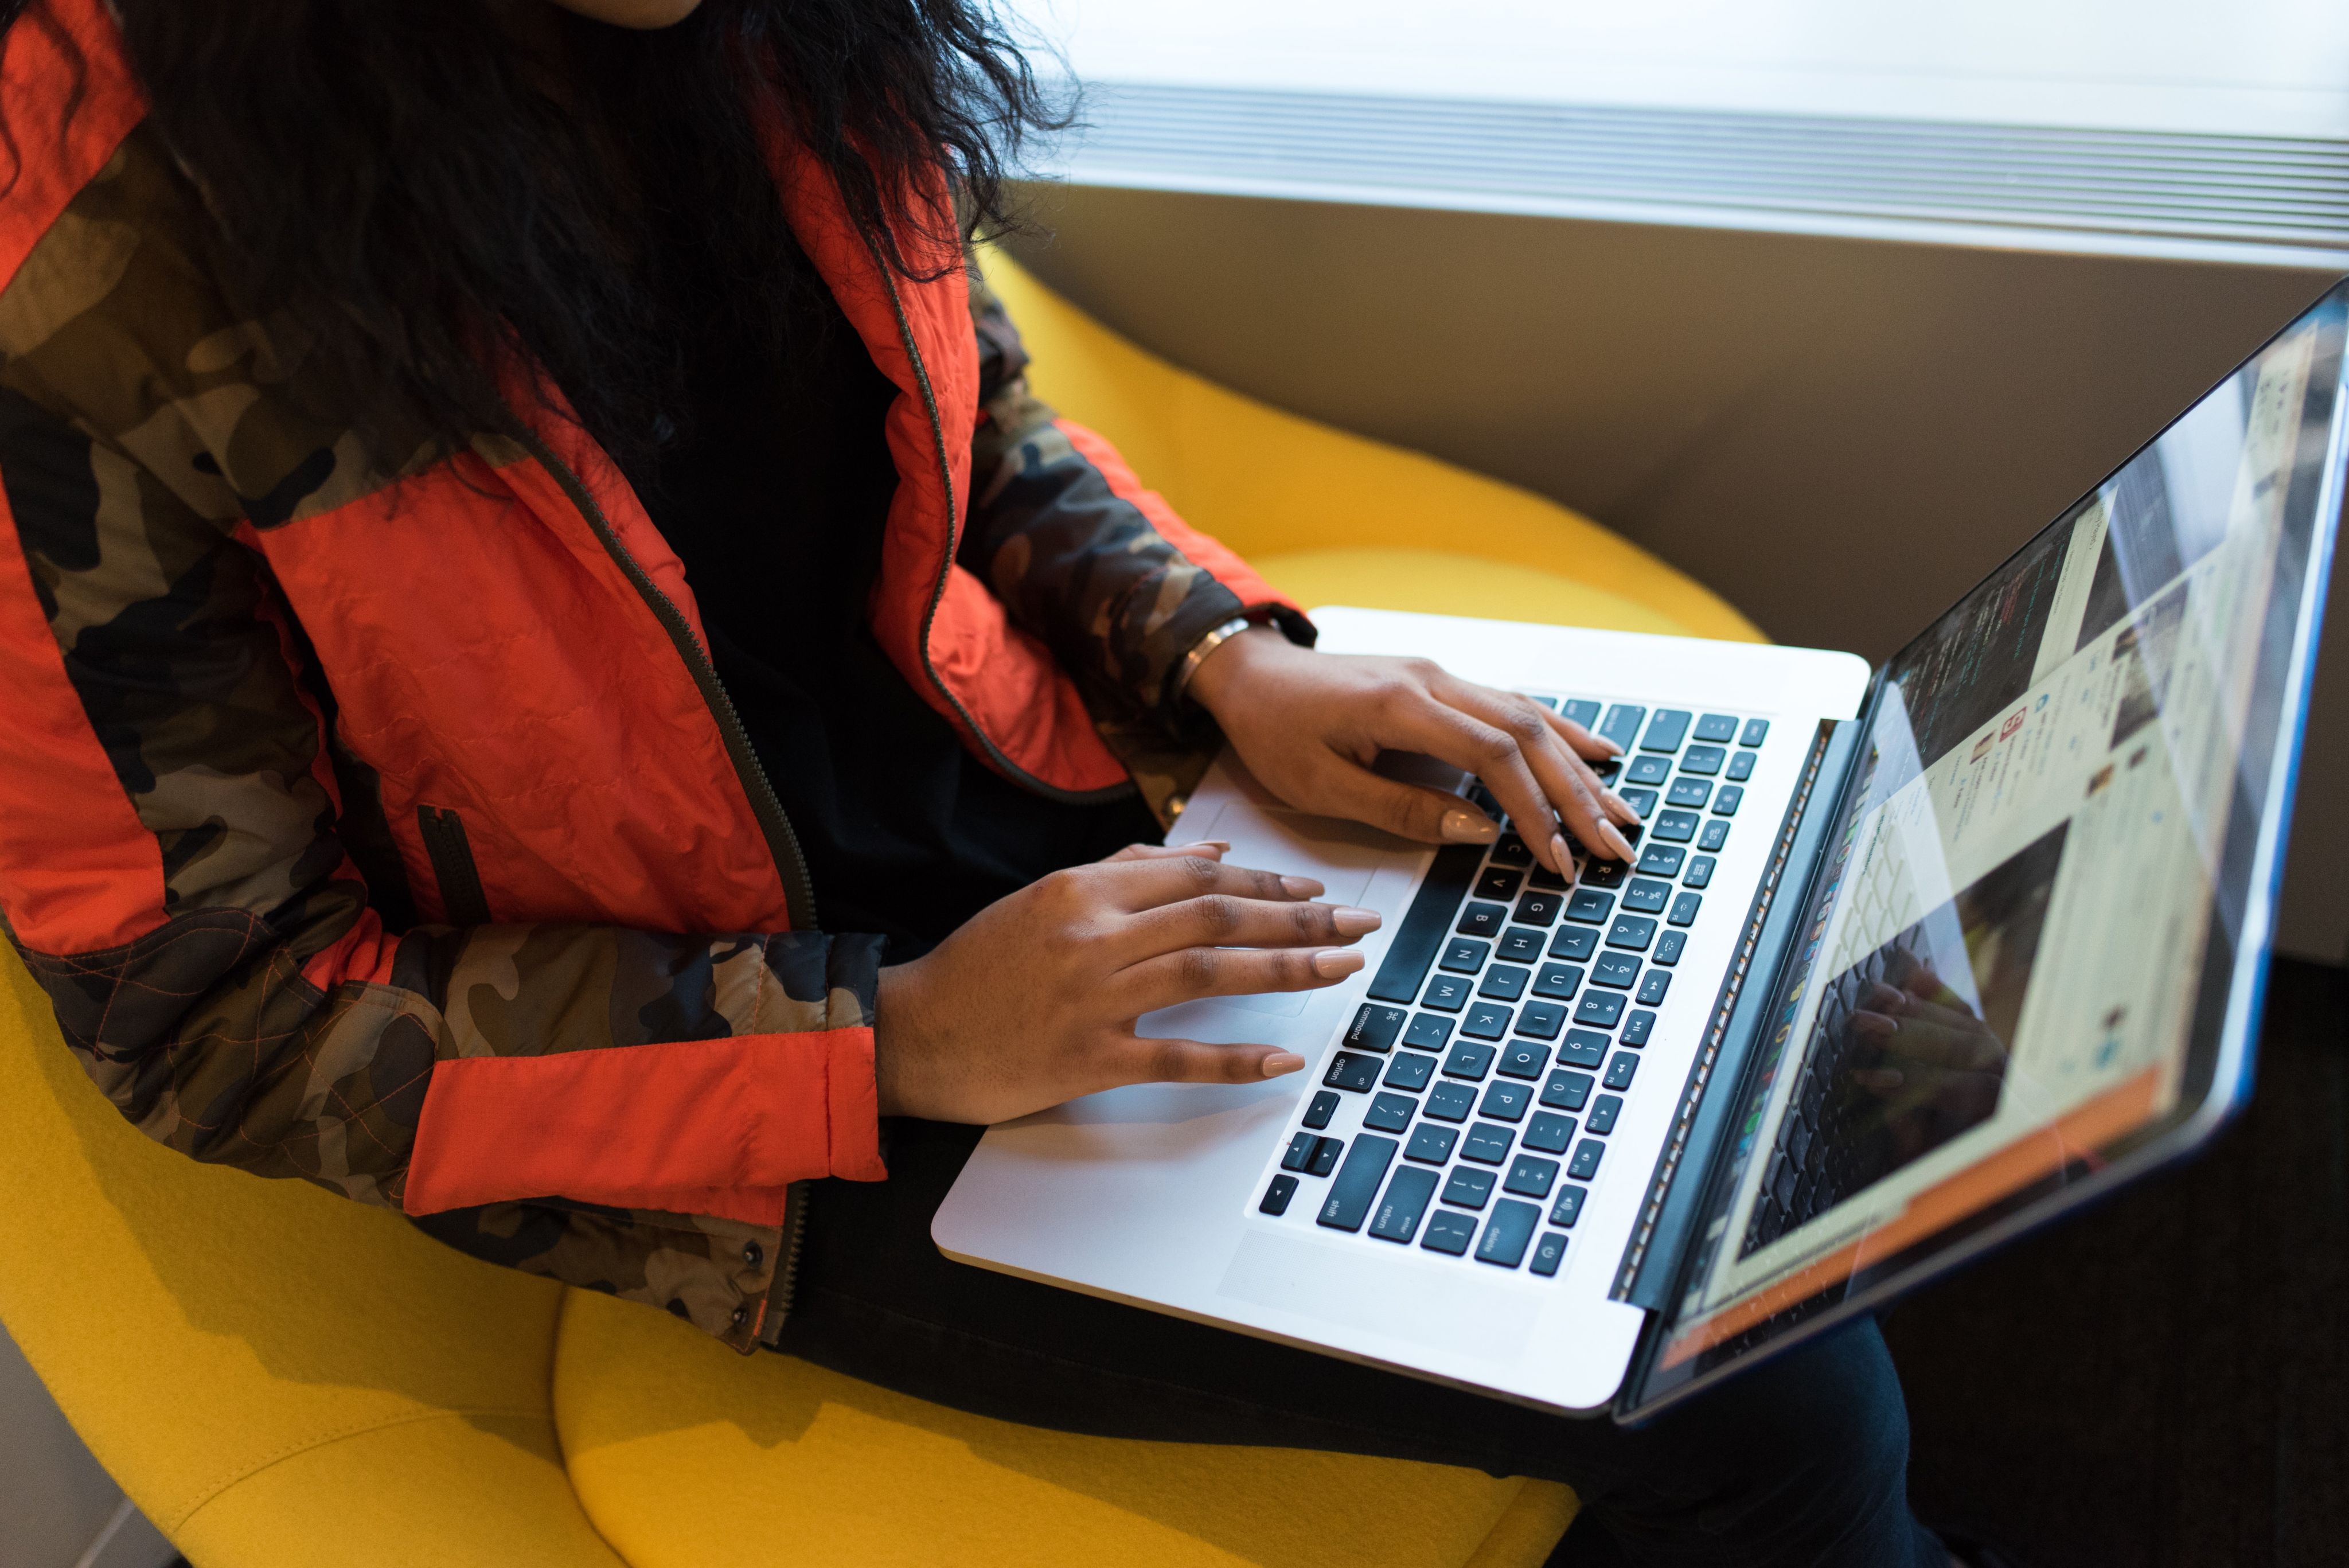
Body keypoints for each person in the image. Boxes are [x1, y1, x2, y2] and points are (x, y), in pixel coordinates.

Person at [0, 1, 1960, 1561]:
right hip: (719, 1084)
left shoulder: (792, 36)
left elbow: (971, 418)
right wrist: (898, 1035)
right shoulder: (76, 276)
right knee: (1742, 1376)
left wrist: (1220, 658)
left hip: (1031, 805)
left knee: (1748, 983)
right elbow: (218, 1015)